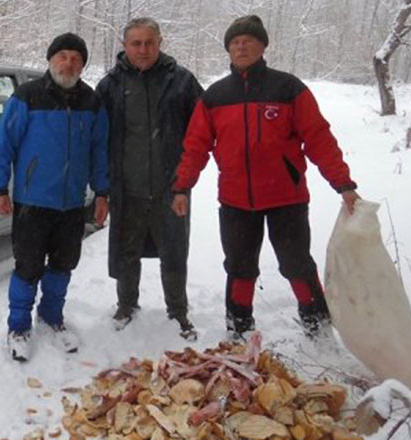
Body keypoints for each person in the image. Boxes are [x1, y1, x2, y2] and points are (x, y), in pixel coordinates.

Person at [170, 15, 360, 340]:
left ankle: (317, 322)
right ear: (228, 50)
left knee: (296, 263)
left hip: (286, 197)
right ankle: (239, 328)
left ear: (262, 46)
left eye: (248, 41)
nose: (241, 46)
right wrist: (182, 187)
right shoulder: (215, 96)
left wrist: (343, 183)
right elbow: (196, 146)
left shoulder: (288, 88)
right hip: (235, 200)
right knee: (240, 267)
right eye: (235, 42)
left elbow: (318, 138)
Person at [0, 32, 110, 362]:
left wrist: (102, 193)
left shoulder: (92, 102)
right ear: (50, 60)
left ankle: (51, 316)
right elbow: (4, 144)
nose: (68, 63)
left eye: (76, 58)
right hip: (33, 203)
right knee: (28, 267)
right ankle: (18, 326)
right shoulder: (27, 96)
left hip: (72, 204)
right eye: (62, 56)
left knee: (63, 264)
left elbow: (100, 150)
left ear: (83, 65)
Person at [95, 18, 203, 339]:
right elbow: (97, 137)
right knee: (127, 251)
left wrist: (186, 179)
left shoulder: (181, 81)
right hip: (127, 188)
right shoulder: (110, 85)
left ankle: (178, 311)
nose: (143, 50)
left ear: (159, 43)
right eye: (136, 43)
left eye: (149, 43)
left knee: (174, 252)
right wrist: (102, 188)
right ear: (125, 45)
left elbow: (203, 130)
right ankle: (126, 305)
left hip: (172, 189)